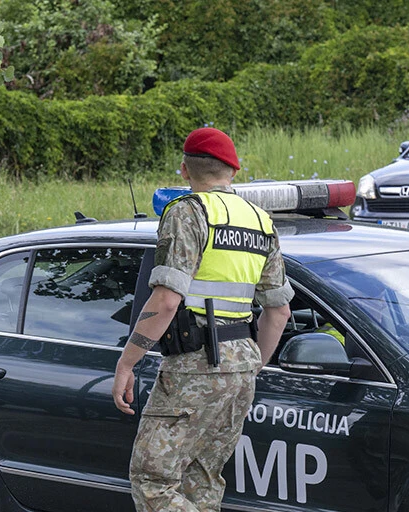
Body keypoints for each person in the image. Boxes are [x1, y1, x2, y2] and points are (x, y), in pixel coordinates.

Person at [112, 127, 293, 511]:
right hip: (241, 368)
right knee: (203, 481)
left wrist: (127, 362)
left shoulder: (187, 212)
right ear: (233, 170)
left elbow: (166, 301)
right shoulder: (261, 221)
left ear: (184, 169)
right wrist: (249, 366)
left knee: (152, 481)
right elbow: (279, 311)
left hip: (194, 365)